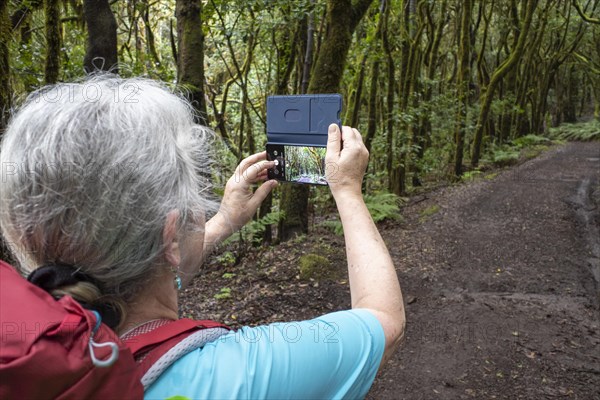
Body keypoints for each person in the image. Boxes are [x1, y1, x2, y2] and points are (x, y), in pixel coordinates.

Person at [0, 76, 405, 399]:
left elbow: (149, 268)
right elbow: (384, 323)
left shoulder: (26, 352)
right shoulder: (239, 374)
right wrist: (348, 189)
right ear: (171, 238)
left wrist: (226, 219)